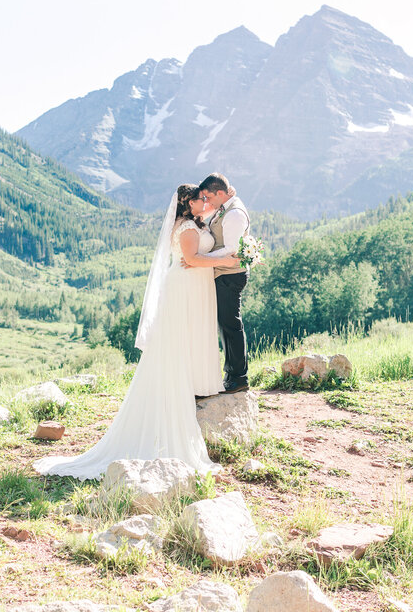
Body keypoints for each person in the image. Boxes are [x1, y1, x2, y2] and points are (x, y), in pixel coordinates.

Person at [33, 184, 238, 480]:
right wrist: (226, 260)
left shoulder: (196, 222)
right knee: (175, 345)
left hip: (195, 286)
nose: (204, 201)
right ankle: (172, 401)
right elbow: (192, 260)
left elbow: (204, 238)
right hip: (185, 287)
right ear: (187, 202)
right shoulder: (186, 227)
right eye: (199, 198)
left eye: (206, 197)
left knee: (184, 342)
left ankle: (185, 387)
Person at [197, 173, 251, 394]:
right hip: (223, 273)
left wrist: (198, 260)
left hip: (230, 274)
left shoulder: (235, 214)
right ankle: (232, 374)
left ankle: (238, 377)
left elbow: (230, 249)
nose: (207, 202)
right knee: (225, 325)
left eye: (209, 197)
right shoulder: (226, 204)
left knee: (231, 325)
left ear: (220, 193)